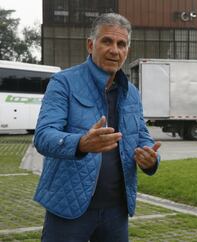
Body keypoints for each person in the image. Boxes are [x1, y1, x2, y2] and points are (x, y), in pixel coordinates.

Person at [33, 13, 161, 242]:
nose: (115, 50)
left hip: (116, 209)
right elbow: (43, 136)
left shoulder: (131, 92)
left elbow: (141, 135)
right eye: (107, 41)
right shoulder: (64, 82)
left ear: (127, 51)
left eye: (121, 44)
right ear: (91, 45)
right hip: (68, 208)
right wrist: (80, 143)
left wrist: (150, 158)